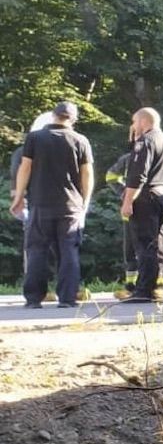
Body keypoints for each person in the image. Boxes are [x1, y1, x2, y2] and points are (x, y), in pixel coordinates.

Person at [8, 102, 93, 308]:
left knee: (37, 250)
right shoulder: (80, 140)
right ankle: (67, 298)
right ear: (73, 119)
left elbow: (25, 168)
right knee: (69, 250)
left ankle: (34, 299)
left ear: (54, 115)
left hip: (40, 204)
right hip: (71, 205)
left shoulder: (35, 138)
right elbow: (87, 174)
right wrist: (85, 202)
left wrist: (18, 197)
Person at [107, 143, 163, 299]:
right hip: (132, 209)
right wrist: (125, 194)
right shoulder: (128, 159)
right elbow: (111, 177)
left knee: (159, 246)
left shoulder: (161, 159)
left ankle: (159, 285)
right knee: (132, 248)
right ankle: (131, 285)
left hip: (153, 207)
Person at [120, 107, 163, 302]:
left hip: (147, 197)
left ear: (143, 122)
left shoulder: (145, 142)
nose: (133, 126)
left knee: (144, 244)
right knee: (158, 242)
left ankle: (143, 290)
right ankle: (156, 286)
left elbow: (138, 175)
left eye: (134, 122)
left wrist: (128, 201)